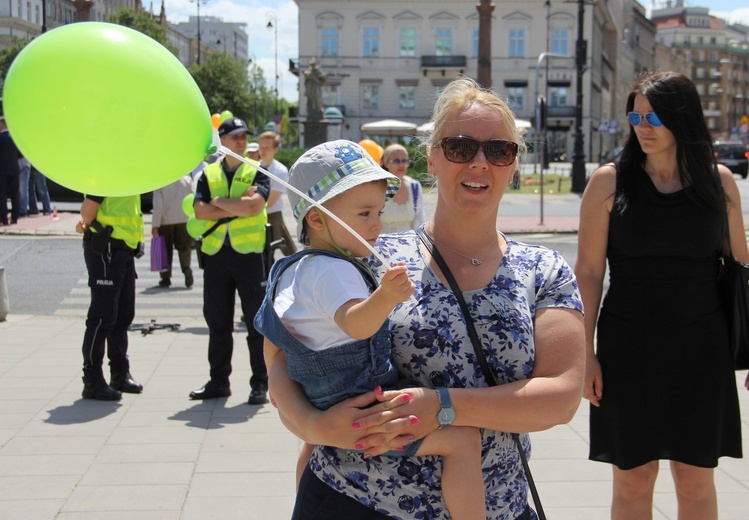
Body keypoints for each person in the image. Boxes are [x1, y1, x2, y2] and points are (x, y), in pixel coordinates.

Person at [265, 78, 586, 519]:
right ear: (432, 158)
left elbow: (562, 397)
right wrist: (311, 424)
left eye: (498, 150)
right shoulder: (370, 256)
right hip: (355, 499)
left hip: (496, 506)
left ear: (513, 165)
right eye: (459, 147)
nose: (479, 162)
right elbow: (282, 351)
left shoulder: (544, 270)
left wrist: (443, 408)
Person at [255, 140, 487, 519]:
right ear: (316, 218)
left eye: (378, 211)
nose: (377, 224)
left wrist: (280, 390)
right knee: (462, 440)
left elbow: (275, 339)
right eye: (363, 214)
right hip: (364, 405)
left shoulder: (291, 269)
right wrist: (386, 296)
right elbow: (358, 325)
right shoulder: (335, 270)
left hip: (322, 403)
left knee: (313, 448)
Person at [575, 71, 748, 520]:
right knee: (632, 478)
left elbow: (741, 273)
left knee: (694, 480)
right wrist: (584, 352)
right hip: (628, 347)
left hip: (702, 348)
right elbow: (590, 272)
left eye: (654, 116)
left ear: (682, 118)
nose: (642, 126)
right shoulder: (608, 183)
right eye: (635, 115)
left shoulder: (720, 183)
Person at [189, 117, 271, 405]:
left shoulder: (257, 171)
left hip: (249, 256)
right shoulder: (207, 174)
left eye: (243, 136)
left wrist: (218, 202)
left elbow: (255, 206)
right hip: (216, 256)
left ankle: (260, 383)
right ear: (222, 140)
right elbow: (199, 211)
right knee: (218, 322)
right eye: (234, 136)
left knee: (255, 325)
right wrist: (236, 204)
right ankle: (218, 381)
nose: (240, 140)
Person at [75, 195, 145, 400]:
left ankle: (120, 374)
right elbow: (87, 212)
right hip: (105, 247)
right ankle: (92, 380)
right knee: (102, 318)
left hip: (124, 248)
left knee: (123, 316)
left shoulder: (129, 176)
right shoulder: (107, 175)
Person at [152, 174, 195, 288]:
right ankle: (186, 268)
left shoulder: (161, 180)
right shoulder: (186, 179)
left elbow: (158, 205)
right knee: (185, 247)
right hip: (184, 218)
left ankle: (165, 278)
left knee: (164, 249)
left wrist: (155, 224)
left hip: (166, 220)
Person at [258, 130, 297, 256]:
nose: (262, 150)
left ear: (275, 149)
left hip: (273, 214)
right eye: (261, 146)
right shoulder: (254, 167)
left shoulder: (280, 170)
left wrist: (252, 203)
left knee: (288, 251)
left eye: (266, 147)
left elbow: (271, 200)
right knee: (261, 253)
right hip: (256, 215)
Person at [380, 143, 426, 233]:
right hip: (380, 244)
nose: (402, 165)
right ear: (386, 163)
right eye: (396, 161)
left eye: (405, 161)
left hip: (409, 244)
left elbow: (420, 220)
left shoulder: (415, 187)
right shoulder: (377, 187)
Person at [0, 116, 20, 226]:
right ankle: (15, 217)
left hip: (2, 170)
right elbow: (21, 154)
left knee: (2, 195)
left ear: (2, 124)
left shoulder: (1, 138)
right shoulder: (15, 138)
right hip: (14, 168)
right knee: (15, 194)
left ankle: (3, 218)